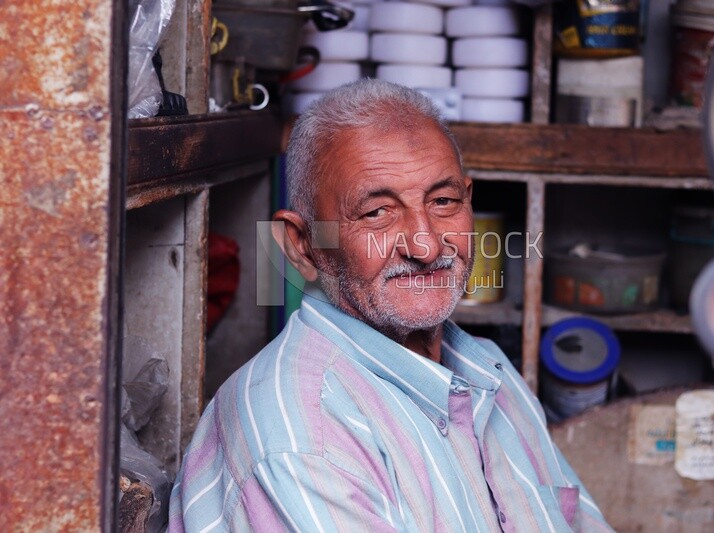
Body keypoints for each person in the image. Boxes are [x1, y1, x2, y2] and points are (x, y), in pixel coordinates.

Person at [169, 79, 613, 532]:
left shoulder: (490, 371)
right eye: (377, 212)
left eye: (443, 202)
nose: (425, 245)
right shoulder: (303, 437)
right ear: (302, 246)